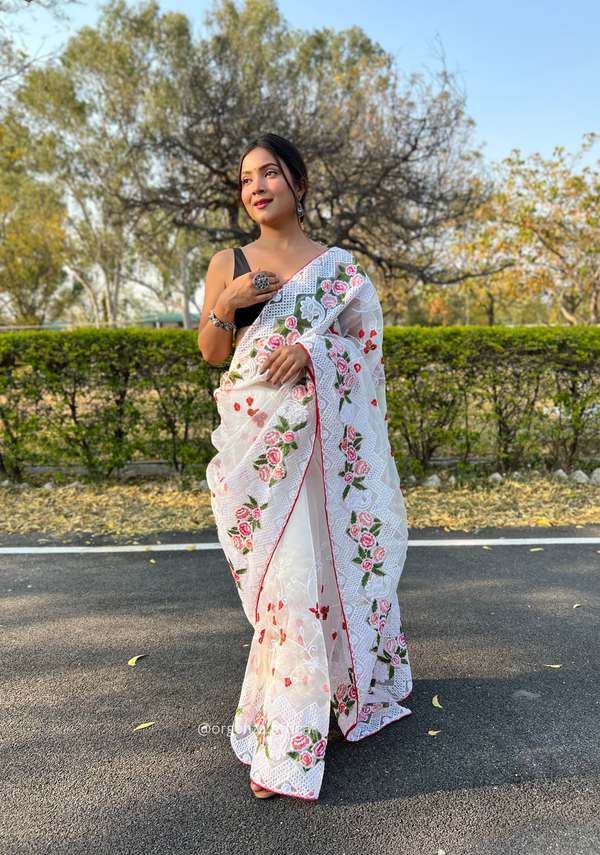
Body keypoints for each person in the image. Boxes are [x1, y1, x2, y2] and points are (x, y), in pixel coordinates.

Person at [197, 133, 412, 801]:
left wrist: (315, 352)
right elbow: (212, 352)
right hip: (261, 449)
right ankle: (303, 712)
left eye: (269, 173)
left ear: (298, 182)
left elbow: (365, 348)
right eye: (245, 179)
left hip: (324, 449)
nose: (255, 186)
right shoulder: (228, 261)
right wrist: (227, 304)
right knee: (285, 581)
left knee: (319, 569)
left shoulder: (338, 267)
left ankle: (290, 736)